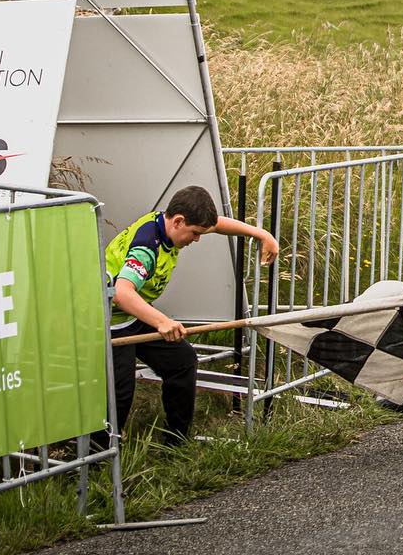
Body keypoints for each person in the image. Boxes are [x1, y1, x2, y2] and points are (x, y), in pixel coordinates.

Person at [103, 186, 278, 445]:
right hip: (110, 322)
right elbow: (122, 293)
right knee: (120, 390)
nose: (196, 240)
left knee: (182, 360)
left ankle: (176, 442)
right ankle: (98, 456)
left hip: (132, 315)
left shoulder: (169, 222)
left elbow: (217, 225)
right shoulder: (146, 248)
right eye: (195, 233)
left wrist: (262, 234)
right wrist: (162, 321)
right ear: (178, 221)